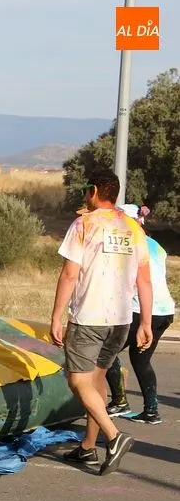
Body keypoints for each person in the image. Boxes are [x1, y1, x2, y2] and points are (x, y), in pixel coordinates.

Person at [51, 170, 152, 476]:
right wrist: (145, 322)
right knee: (96, 380)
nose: (84, 195)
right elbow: (144, 279)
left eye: (85, 189)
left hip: (89, 317)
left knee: (77, 380)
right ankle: (87, 448)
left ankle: (114, 436)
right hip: (121, 320)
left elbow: (70, 274)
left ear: (94, 191)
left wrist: (56, 316)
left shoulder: (84, 224)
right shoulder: (133, 227)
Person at [104, 204, 174, 424]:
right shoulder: (156, 245)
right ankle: (151, 411)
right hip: (164, 310)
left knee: (106, 352)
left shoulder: (128, 242)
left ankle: (119, 402)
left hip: (141, 309)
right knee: (141, 360)